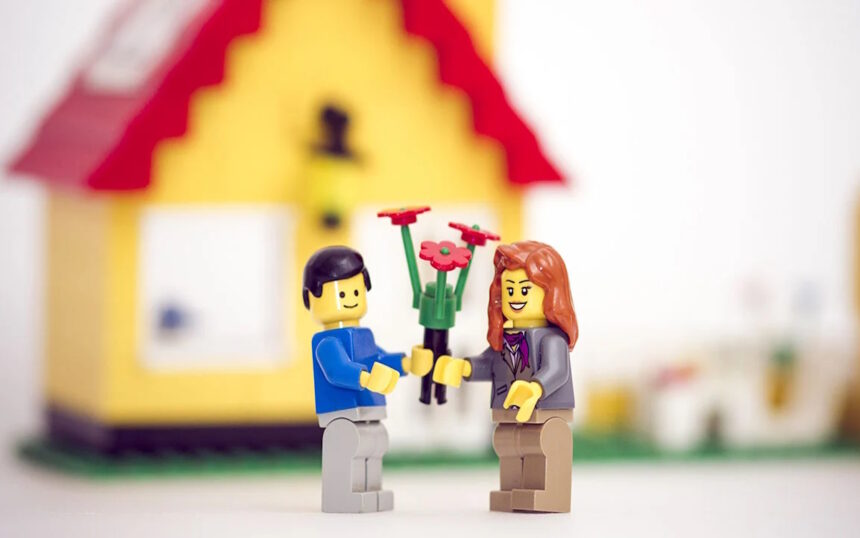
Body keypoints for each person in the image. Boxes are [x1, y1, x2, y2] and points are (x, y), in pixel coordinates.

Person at [434, 241, 578, 513]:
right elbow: (489, 364)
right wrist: (463, 368)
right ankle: (511, 490)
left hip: (543, 412)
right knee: (508, 444)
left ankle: (545, 493)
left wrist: (535, 389)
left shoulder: (551, 339)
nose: (515, 297)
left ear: (550, 293)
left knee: (540, 445)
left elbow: (557, 370)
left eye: (524, 289)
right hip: (508, 412)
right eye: (509, 290)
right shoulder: (506, 338)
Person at [303, 245, 431, 513]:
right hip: (342, 414)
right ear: (311, 298)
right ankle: (342, 496)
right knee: (347, 451)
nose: (351, 298)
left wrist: (408, 363)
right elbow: (338, 370)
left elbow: (379, 359)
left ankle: (371, 491)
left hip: (370, 413)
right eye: (341, 293)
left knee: (373, 449)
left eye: (356, 291)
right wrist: (366, 378)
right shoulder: (327, 342)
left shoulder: (364, 337)